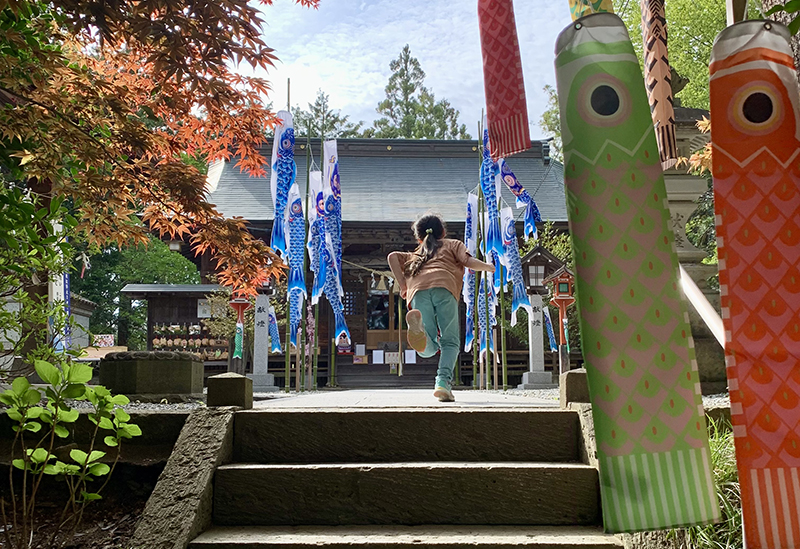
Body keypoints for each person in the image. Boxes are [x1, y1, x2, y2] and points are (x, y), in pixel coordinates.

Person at [387, 213, 495, 402]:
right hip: (445, 288)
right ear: (443, 232)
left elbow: (392, 256)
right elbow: (468, 262)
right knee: (450, 341)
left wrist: (403, 284)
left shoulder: (416, 253)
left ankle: (421, 333)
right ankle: (443, 382)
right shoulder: (454, 244)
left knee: (428, 347)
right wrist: (488, 267)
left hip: (418, 291)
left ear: (419, 237)